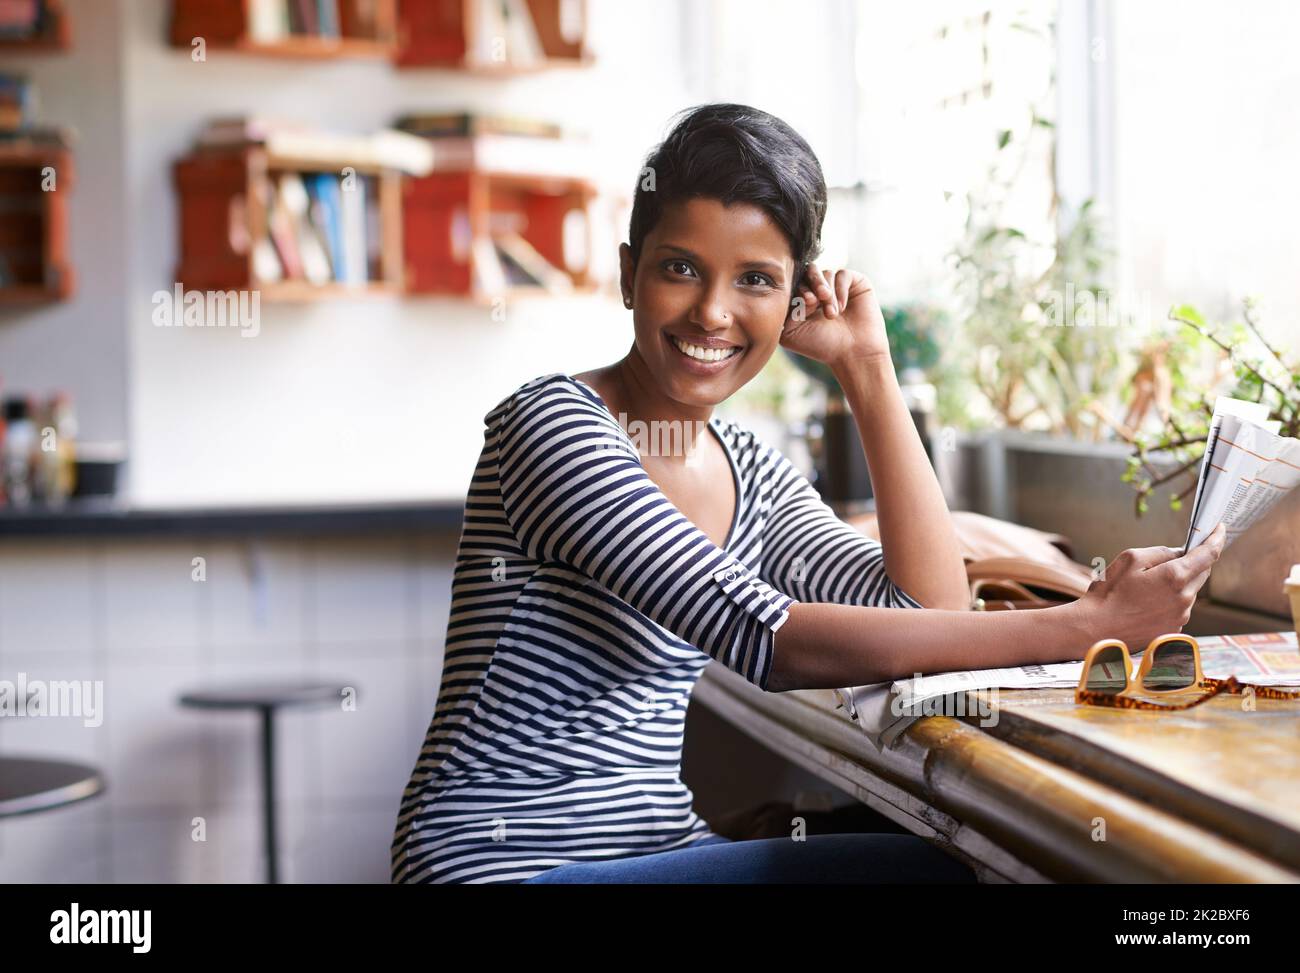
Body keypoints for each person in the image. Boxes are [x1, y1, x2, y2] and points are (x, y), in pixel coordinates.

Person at [390, 103, 1225, 884]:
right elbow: (768, 639)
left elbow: (927, 609)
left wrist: (868, 369)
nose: (712, 311)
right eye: (680, 268)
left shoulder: (746, 465)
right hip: (501, 864)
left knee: (920, 854)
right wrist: (1086, 626)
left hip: (649, 847)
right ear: (627, 275)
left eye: (754, 279)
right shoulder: (553, 427)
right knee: (921, 874)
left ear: (795, 299)